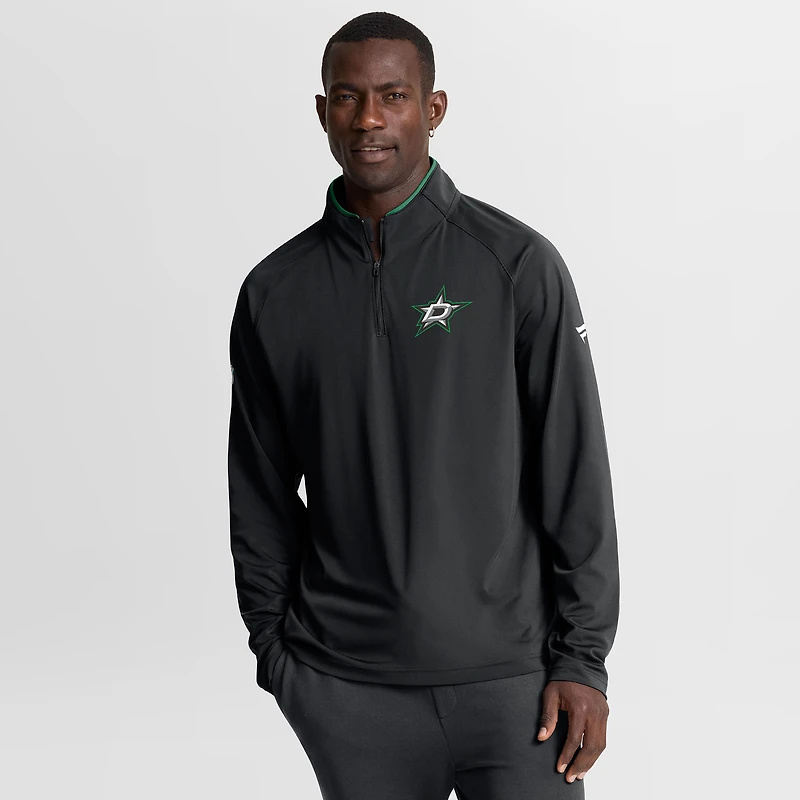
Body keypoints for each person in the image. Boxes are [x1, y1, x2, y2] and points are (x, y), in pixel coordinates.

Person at [227, 11, 620, 799]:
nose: (369, 119)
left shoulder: (516, 265)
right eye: (348, 97)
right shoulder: (275, 292)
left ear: (433, 109)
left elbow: (575, 473)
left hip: (517, 690)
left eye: (393, 95)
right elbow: (259, 494)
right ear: (322, 112)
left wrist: (582, 662)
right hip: (349, 692)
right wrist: (278, 656)